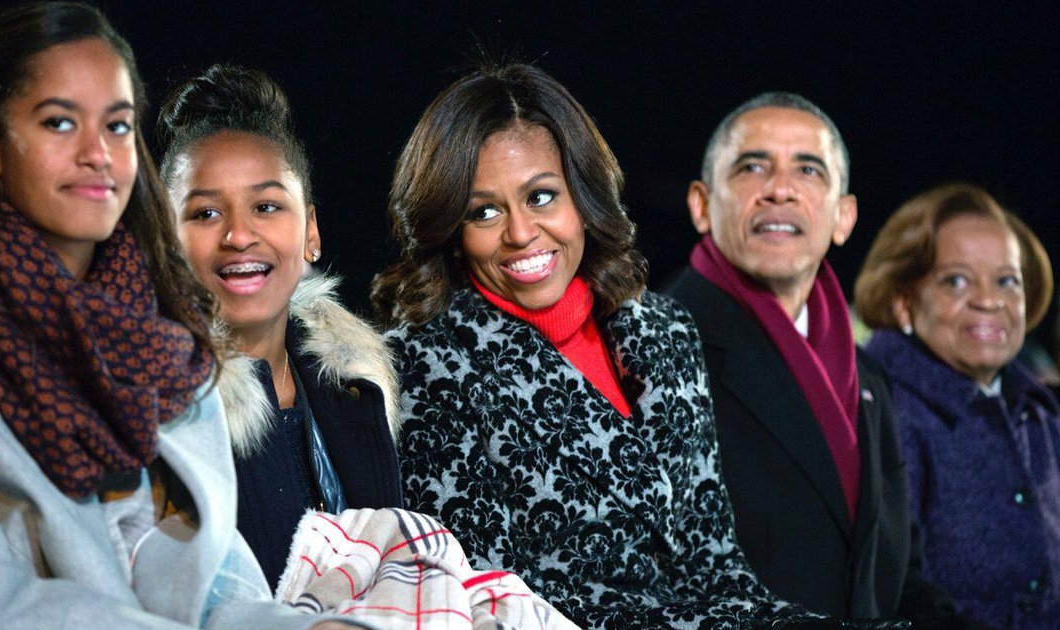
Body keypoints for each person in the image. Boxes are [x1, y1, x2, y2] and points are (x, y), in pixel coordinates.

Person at [0, 3, 361, 628]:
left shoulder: (165, 333)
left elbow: (214, 579)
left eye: (118, 126)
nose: (98, 153)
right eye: (60, 122)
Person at [373, 63, 821, 630]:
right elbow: (490, 596)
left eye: (541, 196)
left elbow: (716, 564)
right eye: (483, 211)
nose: (519, 232)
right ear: (452, 230)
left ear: (583, 196)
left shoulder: (666, 330)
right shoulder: (424, 363)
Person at [665, 93, 971, 627]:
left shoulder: (866, 374)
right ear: (701, 204)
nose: (779, 189)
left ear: (843, 216)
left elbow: (898, 572)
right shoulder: (653, 348)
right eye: (752, 166)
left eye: (808, 169)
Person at [156, 64, 402, 587]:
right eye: (203, 214)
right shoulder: (151, 410)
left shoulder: (356, 389)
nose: (239, 234)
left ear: (311, 231)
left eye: (266, 206)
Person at [855, 182, 1060, 628]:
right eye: (957, 280)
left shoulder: (1040, 413)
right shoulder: (882, 410)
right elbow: (891, 594)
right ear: (904, 302)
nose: (989, 300)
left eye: (1007, 280)